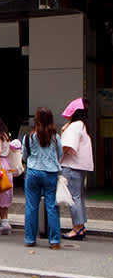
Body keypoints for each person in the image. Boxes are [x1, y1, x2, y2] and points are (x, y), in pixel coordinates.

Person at [22, 107, 63, 249]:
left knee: (31, 206)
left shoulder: (29, 137)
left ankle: (30, 239)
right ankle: (55, 240)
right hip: (50, 172)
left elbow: (25, 155)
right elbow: (61, 152)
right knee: (51, 206)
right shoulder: (55, 137)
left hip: (33, 171)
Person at [60, 98, 94, 241]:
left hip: (72, 165)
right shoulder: (81, 125)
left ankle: (77, 228)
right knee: (78, 196)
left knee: (74, 197)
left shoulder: (74, 126)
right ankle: (80, 225)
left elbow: (67, 146)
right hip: (79, 166)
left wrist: (56, 156)